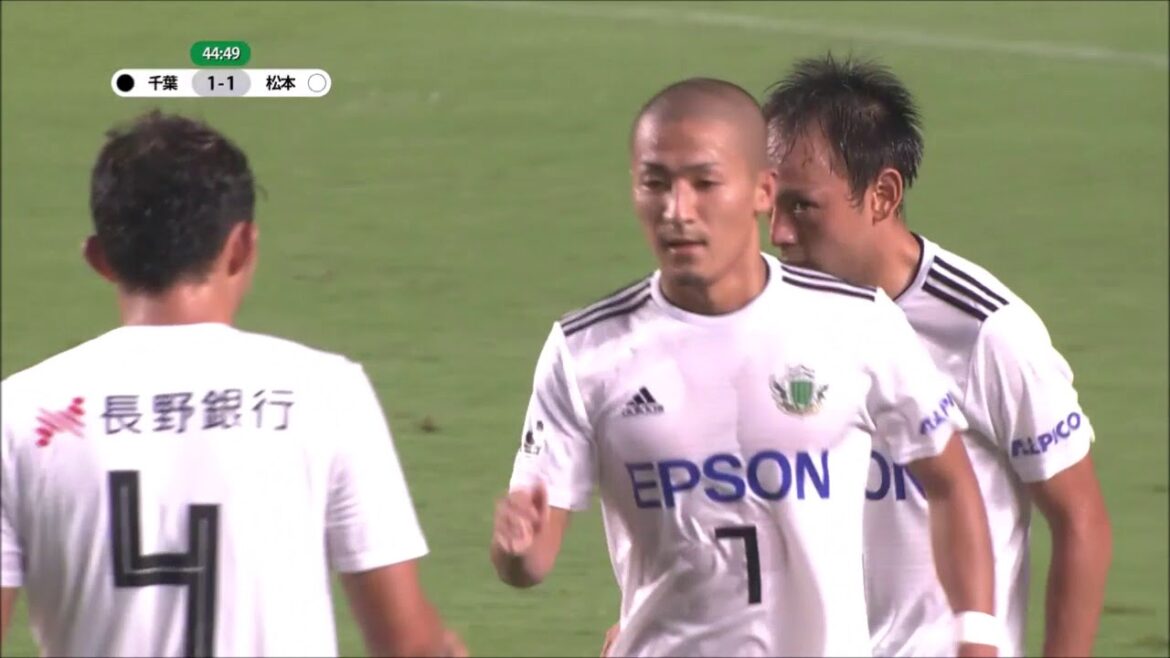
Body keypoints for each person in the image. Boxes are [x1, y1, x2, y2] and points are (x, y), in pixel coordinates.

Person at [491, 77, 999, 657]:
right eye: (654, 183)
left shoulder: (857, 323)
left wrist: (976, 637)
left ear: (762, 192)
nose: (677, 211)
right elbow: (532, 559)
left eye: (704, 184)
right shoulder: (586, 351)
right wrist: (516, 549)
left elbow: (952, 482)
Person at [0, 111, 466, 658]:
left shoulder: (20, 413)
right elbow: (406, 646)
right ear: (242, 246)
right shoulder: (324, 393)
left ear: (101, 259)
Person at [762, 54, 1112, 657]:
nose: (779, 234)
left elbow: (1080, 522)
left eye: (802, 206)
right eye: (768, 203)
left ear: (882, 194)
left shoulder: (986, 332)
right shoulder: (767, 311)